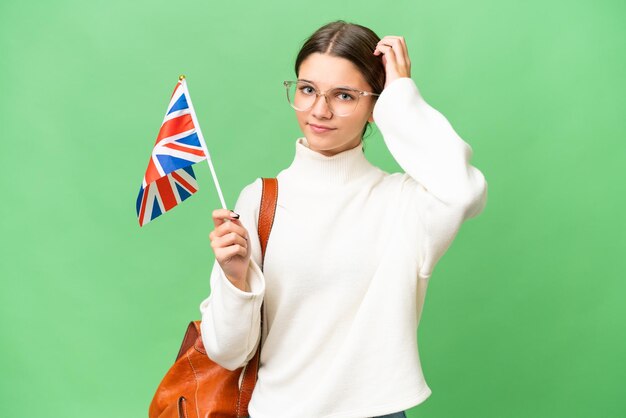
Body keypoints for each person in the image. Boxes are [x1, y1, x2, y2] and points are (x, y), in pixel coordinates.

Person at [199, 20, 488, 418]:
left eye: (345, 96)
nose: (320, 110)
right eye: (307, 89)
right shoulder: (261, 200)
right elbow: (228, 353)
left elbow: (464, 191)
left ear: (375, 106)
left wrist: (401, 95)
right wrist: (235, 279)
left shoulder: (404, 202)